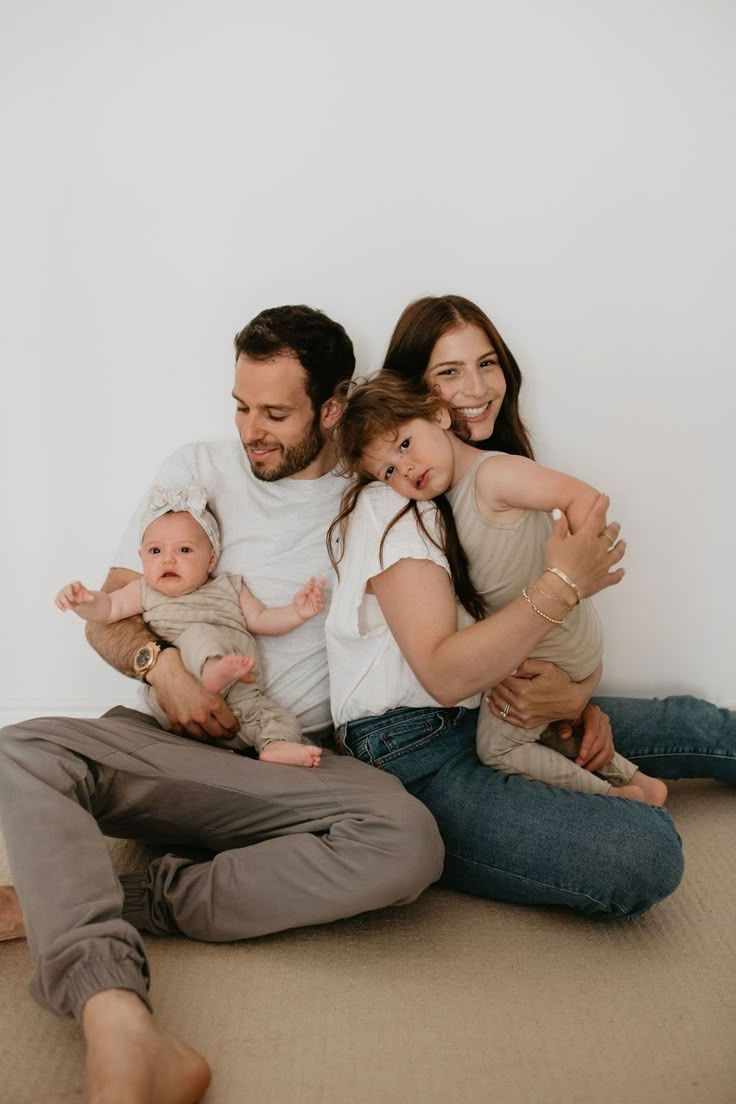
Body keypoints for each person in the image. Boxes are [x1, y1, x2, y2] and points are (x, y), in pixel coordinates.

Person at [0, 305, 444, 1104]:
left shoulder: (375, 486)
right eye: (241, 407)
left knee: (408, 839)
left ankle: (99, 899)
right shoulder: (195, 470)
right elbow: (110, 612)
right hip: (170, 747)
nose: (251, 432)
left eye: (275, 414)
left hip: (290, 761)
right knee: (20, 749)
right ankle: (118, 1018)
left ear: (332, 405)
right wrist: (157, 664)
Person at [326, 293, 734, 920]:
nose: (476, 389)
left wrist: (576, 697)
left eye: (486, 363)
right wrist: (565, 587)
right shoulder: (393, 502)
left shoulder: (483, 480)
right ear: (421, 391)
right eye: (449, 371)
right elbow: (444, 671)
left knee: (694, 724)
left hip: (491, 703)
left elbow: (540, 624)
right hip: (416, 744)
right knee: (645, 853)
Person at [328, 372, 667, 803]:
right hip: (540, 636)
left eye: (405, 444)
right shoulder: (440, 503)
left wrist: (580, 570)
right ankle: (636, 780)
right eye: (389, 470)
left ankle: (611, 797)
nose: (406, 468)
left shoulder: (492, 475)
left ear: (438, 415)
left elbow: (583, 497)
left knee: (497, 746)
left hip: (554, 635)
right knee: (532, 725)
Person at [55, 482, 327, 767]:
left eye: (184, 550)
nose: (168, 559)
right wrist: (84, 601)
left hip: (239, 695)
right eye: (155, 551)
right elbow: (109, 608)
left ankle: (275, 746)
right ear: (140, 558)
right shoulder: (144, 591)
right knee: (201, 634)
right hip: (176, 694)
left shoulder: (230, 587)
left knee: (278, 717)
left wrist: (296, 612)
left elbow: (262, 620)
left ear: (211, 560)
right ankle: (211, 670)